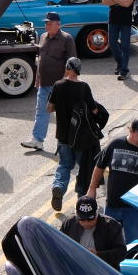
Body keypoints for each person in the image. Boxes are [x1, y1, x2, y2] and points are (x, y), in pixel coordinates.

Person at [87, 118, 138, 244]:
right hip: (112, 206)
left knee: (133, 244)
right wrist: (92, 189)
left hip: (136, 209)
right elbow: (99, 166)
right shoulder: (115, 144)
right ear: (131, 131)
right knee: (107, 241)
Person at [47, 57, 100, 209]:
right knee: (82, 168)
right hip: (80, 137)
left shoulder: (58, 85)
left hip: (63, 136)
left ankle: (58, 187)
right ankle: (82, 200)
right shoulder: (84, 87)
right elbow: (94, 110)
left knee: (64, 165)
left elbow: (49, 108)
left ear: (68, 68)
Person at [22, 11, 76, 150]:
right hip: (44, 83)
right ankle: (37, 140)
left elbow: (72, 63)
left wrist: (66, 81)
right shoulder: (43, 37)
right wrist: (37, 80)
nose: (47, 25)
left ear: (58, 24)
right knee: (41, 111)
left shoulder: (67, 39)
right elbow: (41, 60)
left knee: (63, 114)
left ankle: (67, 142)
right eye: (46, 23)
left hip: (60, 85)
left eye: (50, 23)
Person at [60, 196, 126, 270]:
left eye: (90, 219)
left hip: (103, 273)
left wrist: (98, 255)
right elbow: (59, 245)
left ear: (97, 213)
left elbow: (121, 253)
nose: (86, 223)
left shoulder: (112, 226)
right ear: (76, 215)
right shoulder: (69, 223)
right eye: (82, 220)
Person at [102, 0, 136, 80]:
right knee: (112, 44)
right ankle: (120, 63)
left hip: (126, 21)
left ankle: (124, 70)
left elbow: (127, 4)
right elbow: (105, 1)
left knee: (125, 46)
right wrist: (120, 0)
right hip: (113, 20)